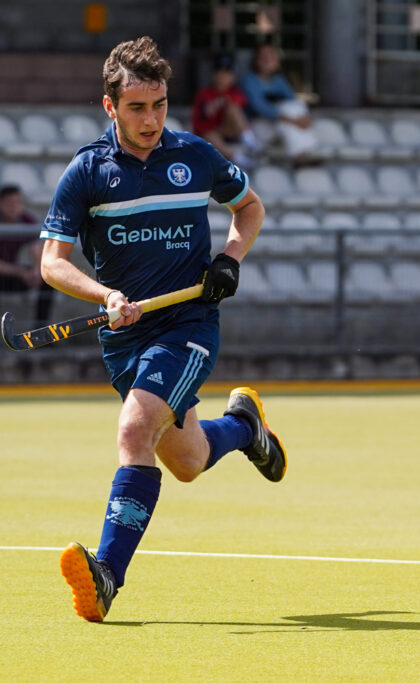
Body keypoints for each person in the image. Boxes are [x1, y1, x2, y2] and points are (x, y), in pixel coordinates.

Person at [40, 36, 287, 623]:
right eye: (136, 108)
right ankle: (245, 427)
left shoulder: (195, 155)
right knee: (188, 460)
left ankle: (107, 576)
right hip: (124, 336)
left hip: (187, 323)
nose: (151, 120)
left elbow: (250, 207)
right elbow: (52, 263)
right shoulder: (88, 172)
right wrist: (106, 295)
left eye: (159, 105)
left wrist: (228, 260)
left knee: (134, 430)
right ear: (110, 106)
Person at [238, 42, 319, 166]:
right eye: (263, 56)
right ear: (256, 60)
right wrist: (292, 120)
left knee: (293, 108)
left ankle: (303, 154)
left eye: (271, 56)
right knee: (286, 113)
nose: (268, 60)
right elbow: (261, 108)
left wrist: (304, 116)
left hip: (278, 128)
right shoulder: (249, 80)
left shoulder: (279, 80)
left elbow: (293, 102)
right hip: (257, 128)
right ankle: (300, 156)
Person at [190, 53, 262, 170]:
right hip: (211, 135)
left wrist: (222, 101)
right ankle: (238, 158)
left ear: (233, 77)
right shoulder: (203, 94)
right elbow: (198, 124)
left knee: (233, 109)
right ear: (213, 75)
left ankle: (250, 142)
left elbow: (240, 108)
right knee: (209, 134)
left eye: (227, 73)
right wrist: (210, 110)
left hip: (230, 131)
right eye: (219, 72)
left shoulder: (236, 93)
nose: (222, 76)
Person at [0, 184, 54, 324]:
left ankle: (40, 329)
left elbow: (36, 247)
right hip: (9, 273)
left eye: (18, 202)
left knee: (48, 279)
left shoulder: (26, 220)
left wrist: (36, 271)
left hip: (13, 274)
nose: (14, 207)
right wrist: (21, 272)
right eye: (9, 202)